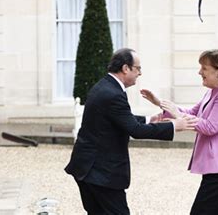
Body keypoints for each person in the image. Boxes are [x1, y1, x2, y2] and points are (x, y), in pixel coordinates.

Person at [65, 48, 197, 214]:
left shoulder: (106, 85)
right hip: (99, 171)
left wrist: (150, 119)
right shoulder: (113, 93)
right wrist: (174, 126)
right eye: (138, 68)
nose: (140, 73)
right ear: (126, 68)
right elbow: (135, 130)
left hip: (87, 167)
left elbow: (120, 118)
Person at [141, 49, 218, 215]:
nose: (200, 72)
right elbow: (192, 113)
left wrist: (178, 115)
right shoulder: (214, 91)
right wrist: (160, 103)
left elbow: (210, 127)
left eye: (204, 68)